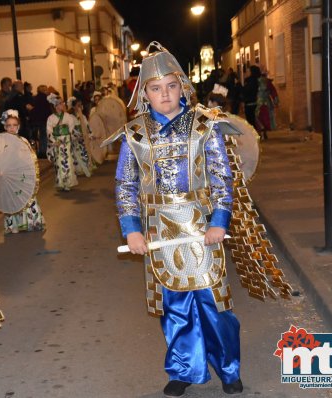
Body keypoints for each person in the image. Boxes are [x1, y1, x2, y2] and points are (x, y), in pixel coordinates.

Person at [103, 42, 243, 397]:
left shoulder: (205, 125)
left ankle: (228, 368)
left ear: (182, 86)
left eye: (171, 86)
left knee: (215, 304)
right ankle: (184, 368)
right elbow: (125, 185)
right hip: (158, 230)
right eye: (155, 88)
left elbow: (221, 177)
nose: (164, 95)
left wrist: (219, 221)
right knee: (175, 305)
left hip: (202, 225)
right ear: (144, 93)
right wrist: (131, 230)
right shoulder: (134, 134)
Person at [0, 109, 46, 234]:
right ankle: (12, 225)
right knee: (11, 201)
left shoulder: (23, 141)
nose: (12, 128)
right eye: (9, 125)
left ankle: (33, 222)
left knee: (27, 199)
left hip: (23, 175)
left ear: (18, 127)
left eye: (14, 125)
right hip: (8, 176)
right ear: (5, 127)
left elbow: (31, 159)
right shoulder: (0, 142)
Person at [46, 93, 78, 192]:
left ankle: (68, 182)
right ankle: (61, 182)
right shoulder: (51, 118)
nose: (63, 105)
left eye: (63, 103)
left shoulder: (68, 116)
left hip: (66, 141)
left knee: (68, 161)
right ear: (55, 106)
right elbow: (49, 130)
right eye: (60, 103)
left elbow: (72, 128)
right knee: (59, 162)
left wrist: (71, 136)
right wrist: (54, 141)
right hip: (57, 142)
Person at [67, 97, 93, 176]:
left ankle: (84, 168)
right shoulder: (70, 117)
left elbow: (87, 126)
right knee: (75, 154)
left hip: (83, 137)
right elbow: (70, 128)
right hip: (75, 138)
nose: (80, 107)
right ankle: (78, 170)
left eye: (81, 105)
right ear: (74, 106)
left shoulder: (83, 116)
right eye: (78, 105)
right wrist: (76, 135)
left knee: (84, 152)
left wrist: (90, 134)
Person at [30, 84, 52, 159]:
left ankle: (39, 151)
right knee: (44, 136)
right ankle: (43, 151)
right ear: (43, 90)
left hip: (36, 120)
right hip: (44, 119)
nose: (47, 91)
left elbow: (33, 108)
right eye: (45, 89)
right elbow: (48, 110)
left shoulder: (35, 98)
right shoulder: (46, 98)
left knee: (38, 137)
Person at [255, 69, 279, 140]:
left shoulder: (256, 82)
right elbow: (273, 92)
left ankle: (260, 132)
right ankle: (264, 132)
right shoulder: (268, 82)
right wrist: (276, 102)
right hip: (266, 103)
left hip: (257, 103)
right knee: (266, 118)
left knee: (258, 118)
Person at [242, 65, 261, 129]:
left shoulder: (252, 81)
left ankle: (255, 135)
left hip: (251, 103)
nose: (246, 73)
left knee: (251, 120)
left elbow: (246, 91)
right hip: (250, 102)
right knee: (251, 120)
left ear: (252, 72)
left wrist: (238, 84)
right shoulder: (250, 80)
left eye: (248, 71)